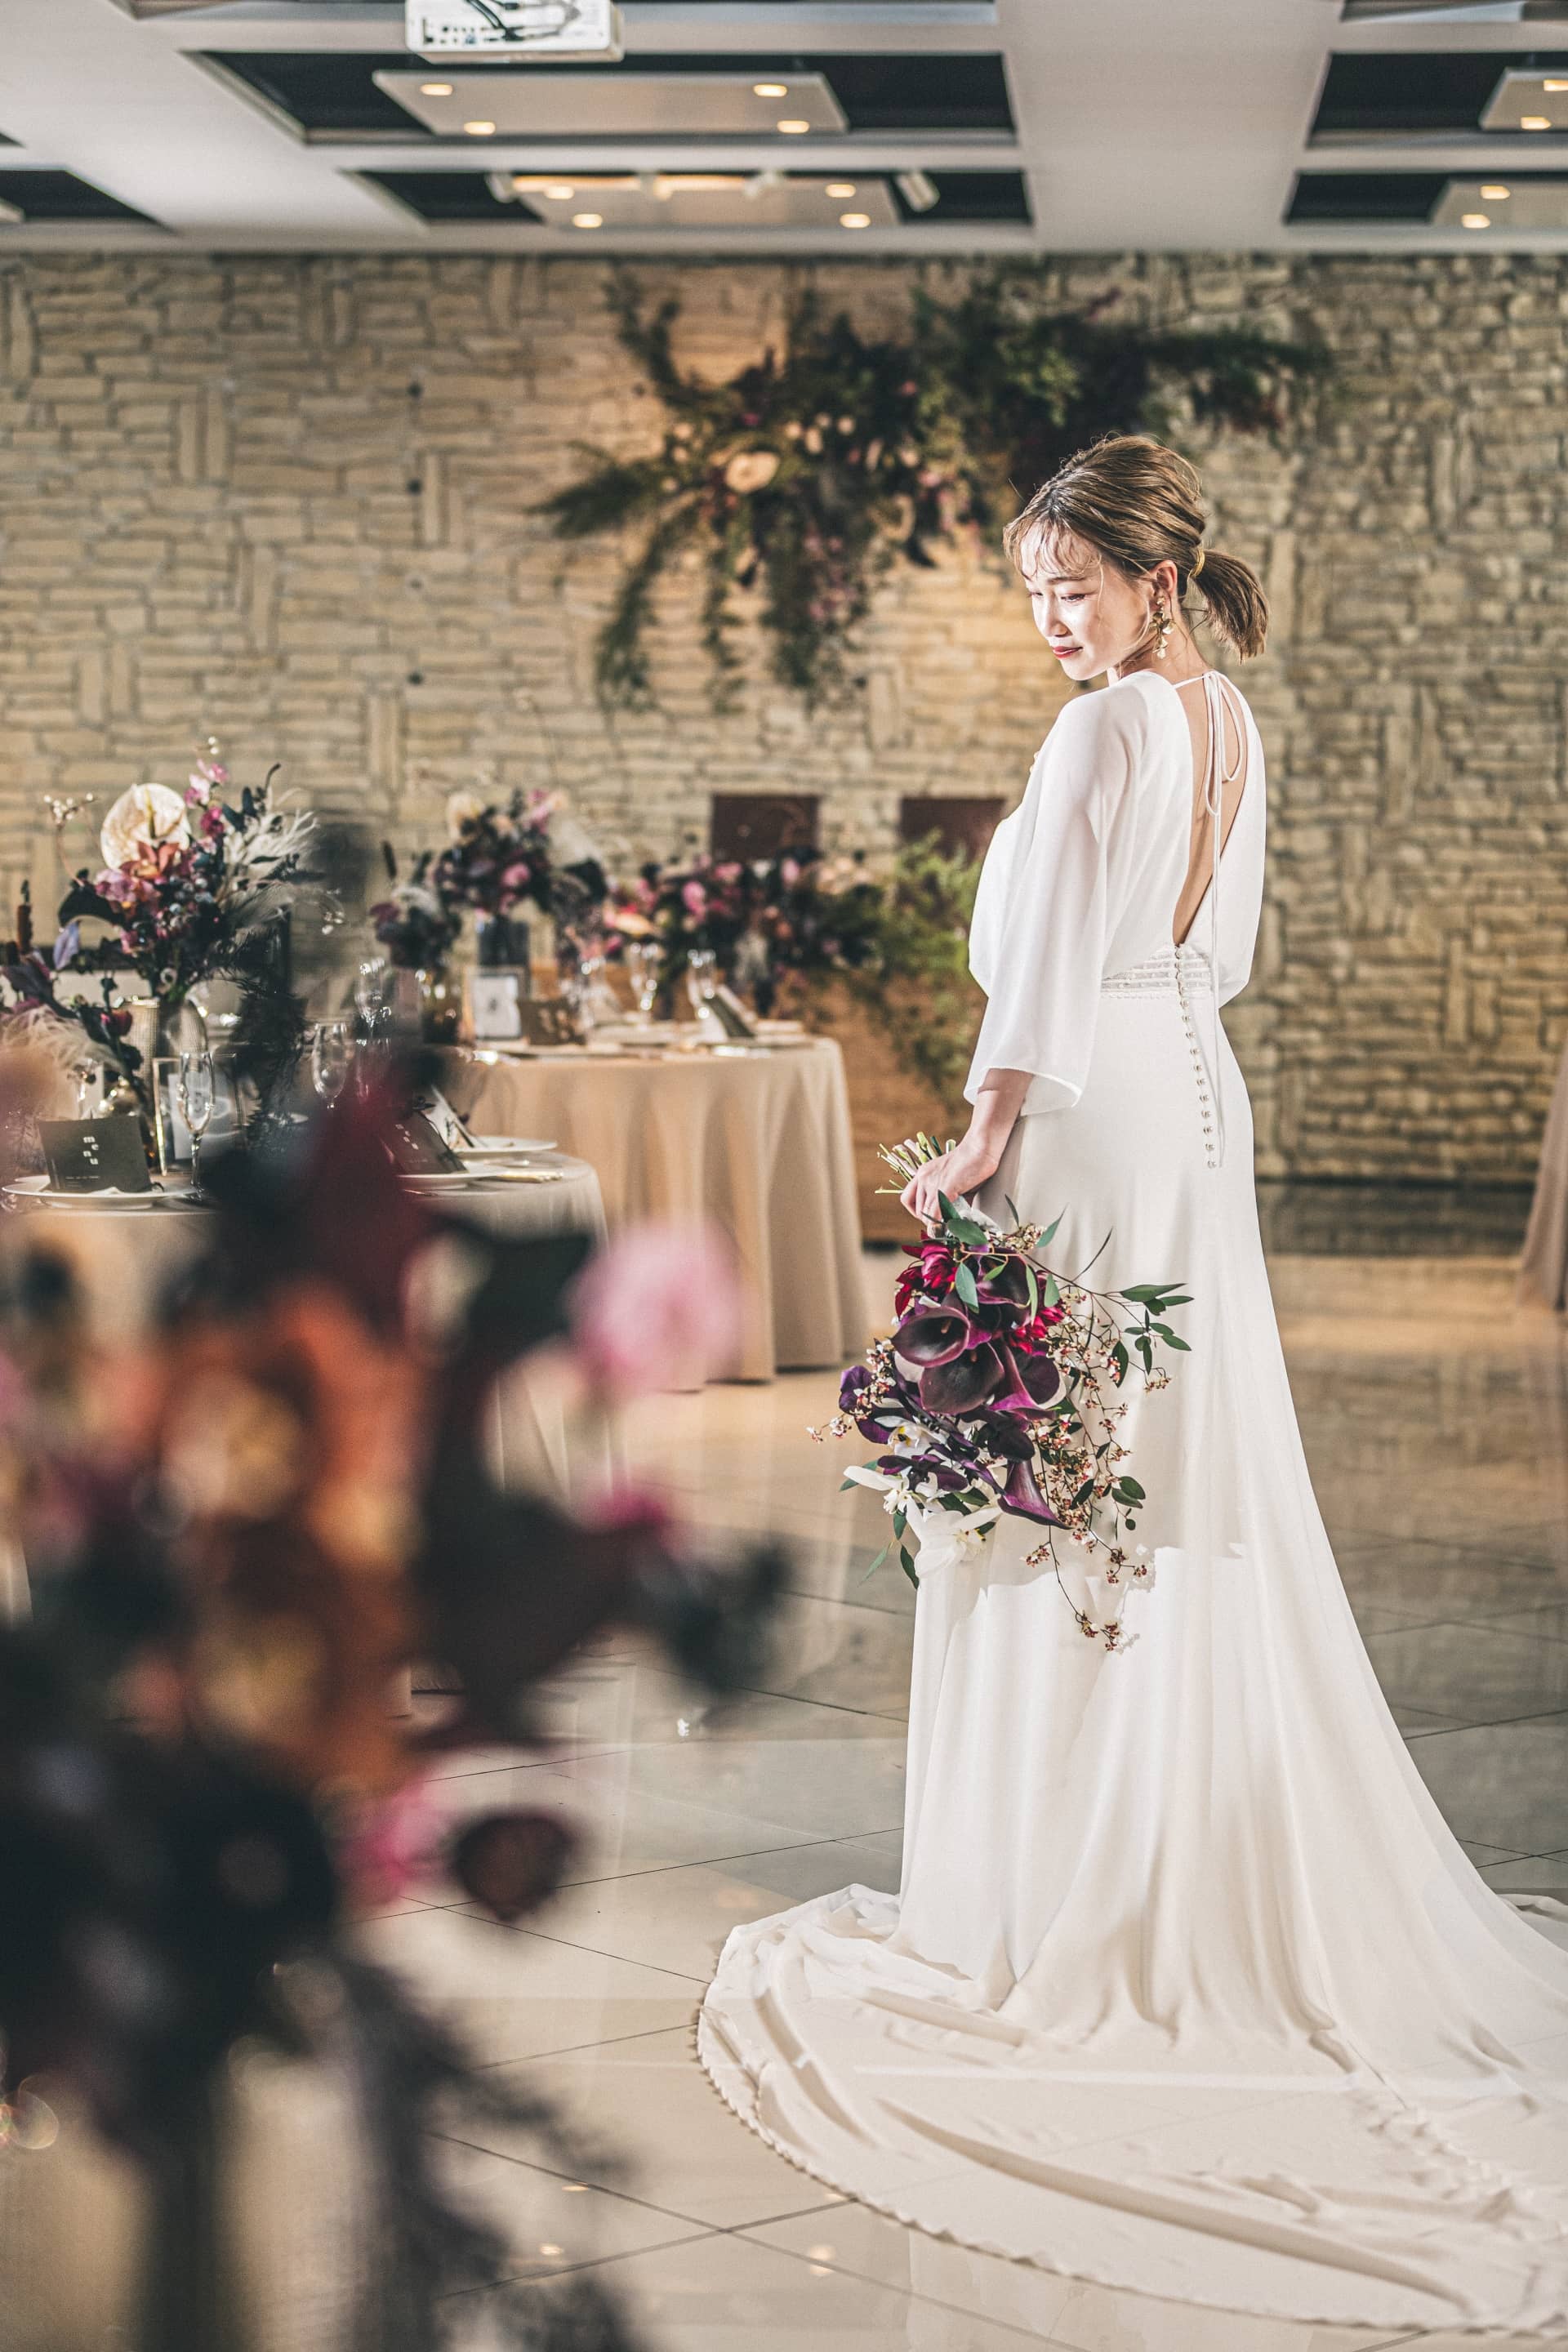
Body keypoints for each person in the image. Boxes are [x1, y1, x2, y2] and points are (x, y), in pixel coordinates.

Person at [699, 436, 1568, 2335]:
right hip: (1189, 1092)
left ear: (1155, 576)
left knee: (1045, 1467)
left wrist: (974, 1151)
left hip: (1087, 1105)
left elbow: (1039, 986)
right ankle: (1159, 1839)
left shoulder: (1106, 734)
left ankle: (1049, 1896)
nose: (1050, 617)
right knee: (1158, 1471)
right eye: (1031, 587)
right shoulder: (1226, 717)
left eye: (1073, 584)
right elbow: (1216, 958)